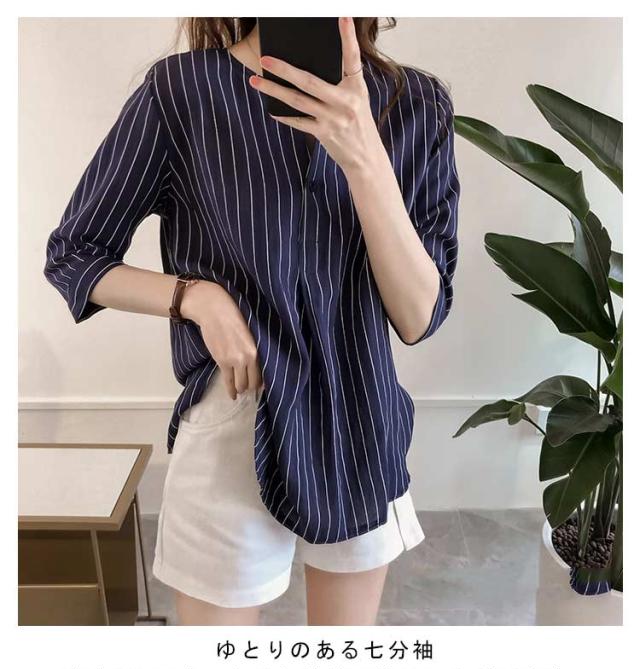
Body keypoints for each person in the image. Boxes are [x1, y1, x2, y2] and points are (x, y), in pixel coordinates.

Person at [43, 17, 460, 626]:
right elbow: (75, 254)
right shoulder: (183, 92)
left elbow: (418, 315)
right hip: (238, 413)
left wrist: (365, 157)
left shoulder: (416, 104)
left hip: (361, 419)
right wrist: (195, 297)